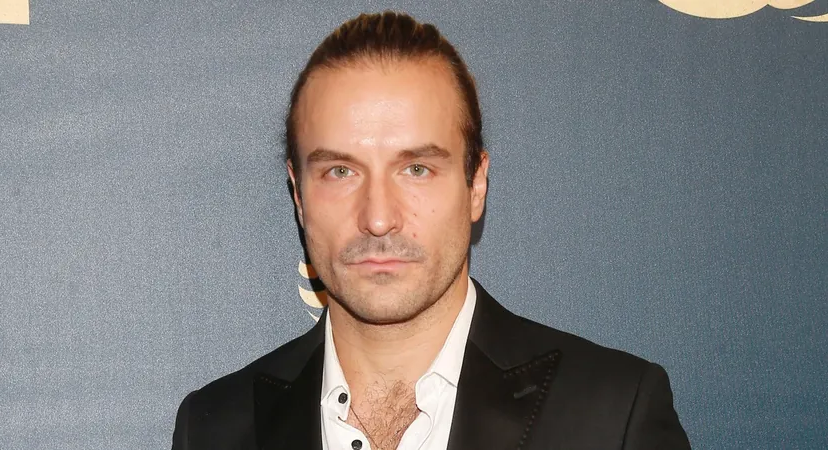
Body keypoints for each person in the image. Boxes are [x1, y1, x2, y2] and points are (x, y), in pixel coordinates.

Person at [171, 11, 690, 450]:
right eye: (340, 171)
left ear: (476, 185)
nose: (378, 218)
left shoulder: (612, 416)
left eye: (416, 169)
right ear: (298, 195)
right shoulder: (215, 428)